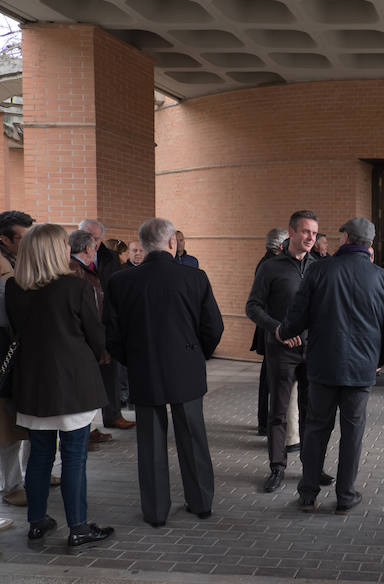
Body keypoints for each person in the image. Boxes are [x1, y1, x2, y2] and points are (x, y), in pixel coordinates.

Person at [278, 217, 384, 513]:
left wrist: (283, 332)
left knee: (315, 430)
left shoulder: (319, 271)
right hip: (361, 372)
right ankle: (345, 496)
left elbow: (298, 315)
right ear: (370, 245)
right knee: (352, 435)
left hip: (323, 367)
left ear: (347, 238)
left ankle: (308, 494)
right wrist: (379, 358)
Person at [104, 218, 223, 528]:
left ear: (143, 245)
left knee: (150, 442)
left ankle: (156, 512)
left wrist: (132, 360)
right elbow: (213, 327)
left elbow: (112, 335)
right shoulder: (195, 278)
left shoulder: (121, 282)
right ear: (172, 242)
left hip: (144, 370)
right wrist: (198, 355)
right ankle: (201, 503)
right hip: (186, 368)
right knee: (193, 438)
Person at [6, 223, 114, 546]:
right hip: (73, 386)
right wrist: (101, 354)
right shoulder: (75, 288)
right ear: (56, 251)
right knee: (74, 457)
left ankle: (37, 522)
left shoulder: (13, 289)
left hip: (33, 386)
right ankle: (78, 528)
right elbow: (96, 337)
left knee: (39, 456)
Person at [246, 211, 333, 493]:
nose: (311, 238)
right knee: (279, 411)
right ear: (291, 233)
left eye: (314, 233)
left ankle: (312, 467)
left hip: (314, 351)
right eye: (306, 232)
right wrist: (278, 329)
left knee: (313, 412)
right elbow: (253, 307)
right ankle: (277, 468)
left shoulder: (320, 267)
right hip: (281, 350)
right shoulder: (270, 267)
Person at [69, 230, 135, 434]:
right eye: (94, 240)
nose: (97, 244)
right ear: (88, 247)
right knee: (84, 382)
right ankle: (84, 430)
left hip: (103, 326)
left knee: (110, 375)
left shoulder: (109, 258)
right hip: (87, 334)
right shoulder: (74, 270)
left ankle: (110, 417)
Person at [0, 210, 33, 511]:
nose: (27, 243)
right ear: (5, 240)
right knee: (8, 426)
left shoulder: (17, 263)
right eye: (22, 238)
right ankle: (11, 486)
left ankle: (32, 475)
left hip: (17, 352)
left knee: (24, 420)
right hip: (4, 354)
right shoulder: (3, 270)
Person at [250, 228, 288, 437]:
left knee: (268, 378)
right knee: (268, 380)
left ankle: (264, 422)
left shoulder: (266, 262)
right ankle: (265, 423)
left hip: (269, 329)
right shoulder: (268, 265)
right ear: (280, 246)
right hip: (270, 330)